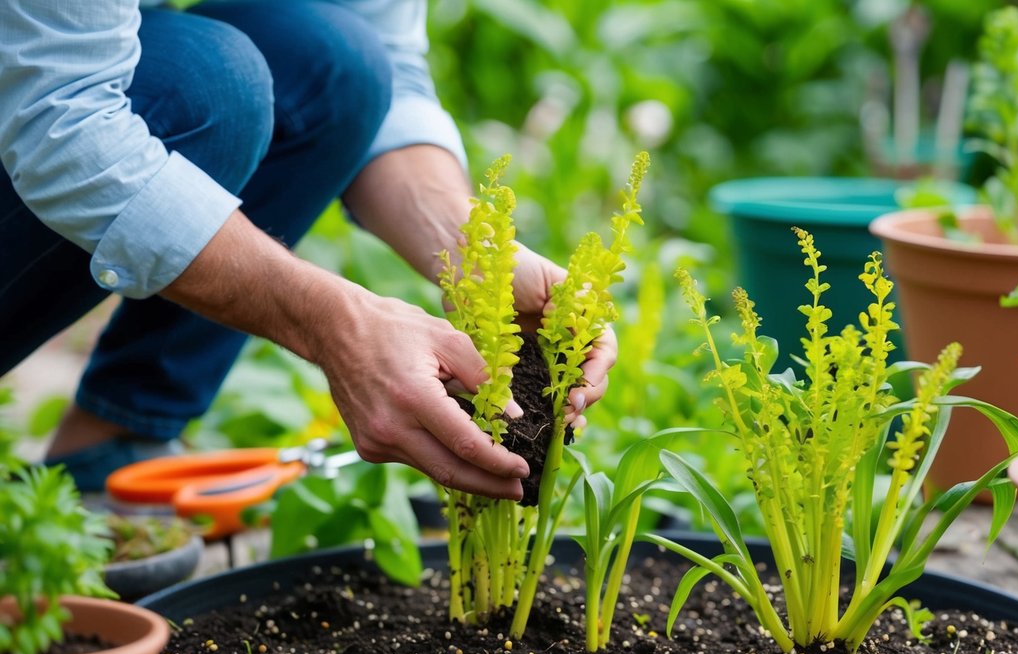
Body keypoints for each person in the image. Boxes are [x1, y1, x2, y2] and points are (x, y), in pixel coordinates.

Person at [0, 0, 615, 502]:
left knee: (332, 60)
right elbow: (64, 126)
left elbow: (387, 65)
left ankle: (108, 457)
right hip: (43, 106)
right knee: (211, 86)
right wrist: (335, 323)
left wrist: (481, 260)